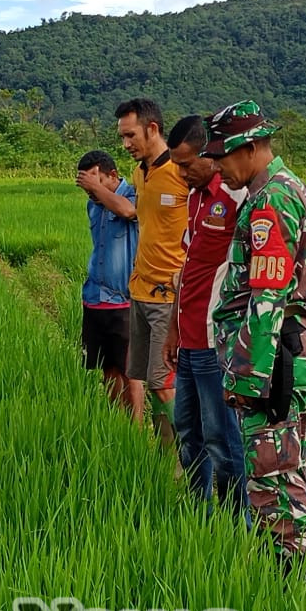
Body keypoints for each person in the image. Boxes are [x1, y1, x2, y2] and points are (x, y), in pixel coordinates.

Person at [202, 100, 306, 559]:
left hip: (273, 356)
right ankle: (288, 567)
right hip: (281, 350)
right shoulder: (276, 189)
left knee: (272, 477)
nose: (217, 167)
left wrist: (250, 379)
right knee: (282, 467)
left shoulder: (271, 198)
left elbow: (267, 296)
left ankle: (288, 577)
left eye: (222, 156)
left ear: (251, 148)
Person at [161, 115, 249, 516]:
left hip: (217, 342)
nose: (180, 173)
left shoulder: (236, 196)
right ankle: (198, 512)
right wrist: (173, 332)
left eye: (185, 164)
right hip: (189, 338)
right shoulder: (195, 199)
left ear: (210, 156)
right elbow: (188, 267)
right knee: (188, 433)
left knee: (223, 438)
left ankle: (238, 524)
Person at [115, 98, 188, 445]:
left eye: (130, 135)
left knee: (163, 383)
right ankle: (167, 458)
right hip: (140, 291)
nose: (126, 144)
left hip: (167, 296)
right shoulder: (139, 173)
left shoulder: (180, 172)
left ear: (153, 129)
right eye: (122, 137)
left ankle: (192, 456)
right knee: (148, 378)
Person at [74, 149, 142, 410]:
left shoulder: (134, 194)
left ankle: (135, 434)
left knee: (130, 372)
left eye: (95, 181)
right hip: (95, 298)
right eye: (85, 185)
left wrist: (98, 190)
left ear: (112, 175)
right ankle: (117, 426)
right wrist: (96, 193)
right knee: (107, 369)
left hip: (124, 300)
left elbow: (128, 212)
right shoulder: (94, 204)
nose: (90, 191)